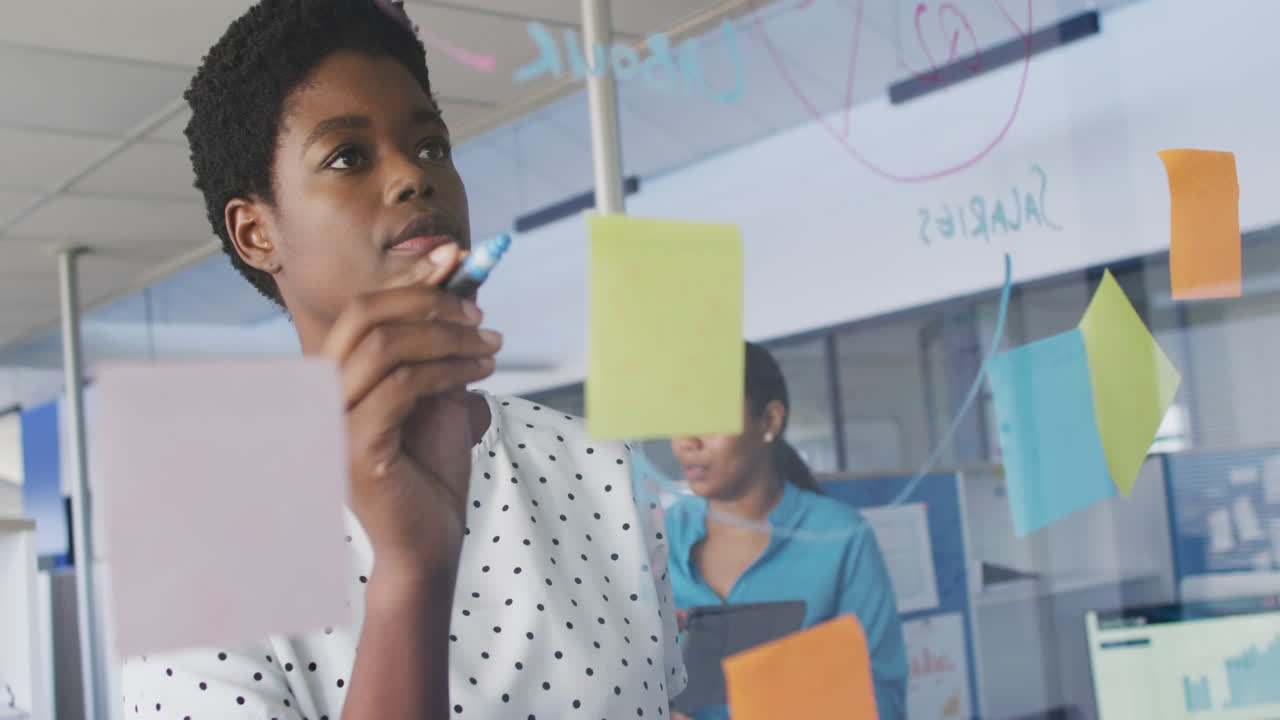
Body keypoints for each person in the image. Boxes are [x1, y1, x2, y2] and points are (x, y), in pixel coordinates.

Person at [119, 1, 685, 718]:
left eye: (430, 147)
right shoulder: (198, 536)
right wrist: (411, 573)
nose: (414, 178)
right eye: (348, 156)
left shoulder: (600, 465)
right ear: (257, 233)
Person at [665, 342, 907, 720]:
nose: (685, 442)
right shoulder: (655, 539)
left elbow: (884, 702)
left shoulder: (839, 536)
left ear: (769, 421)